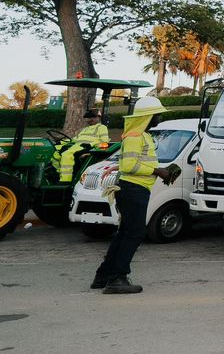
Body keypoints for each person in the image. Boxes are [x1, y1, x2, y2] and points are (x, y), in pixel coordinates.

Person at [91, 96, 176, 295]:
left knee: (125, 233)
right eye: (157, 115)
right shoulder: (134, 137)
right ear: (147, 116)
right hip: (133, 190)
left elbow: (135, 163)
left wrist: (160, 170)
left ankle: (103, 276)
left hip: (135, 190)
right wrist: (158, 171)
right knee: (134, 233)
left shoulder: (142, 136)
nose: (159, 119)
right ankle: (117, 278)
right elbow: (129, 166)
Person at [53, 108, 111, 185]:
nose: (89, 119)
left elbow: (104, 141)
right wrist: (62, 142)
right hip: (77, 146)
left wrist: (90, 145)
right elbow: (74, 139)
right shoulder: (85, 129)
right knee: (54, 152)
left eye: (92, 117)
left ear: (98, 117)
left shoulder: (101, 128)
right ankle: (59, 174)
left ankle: (66, 180)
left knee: (66, 155)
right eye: (88, 118)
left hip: (86, 148)